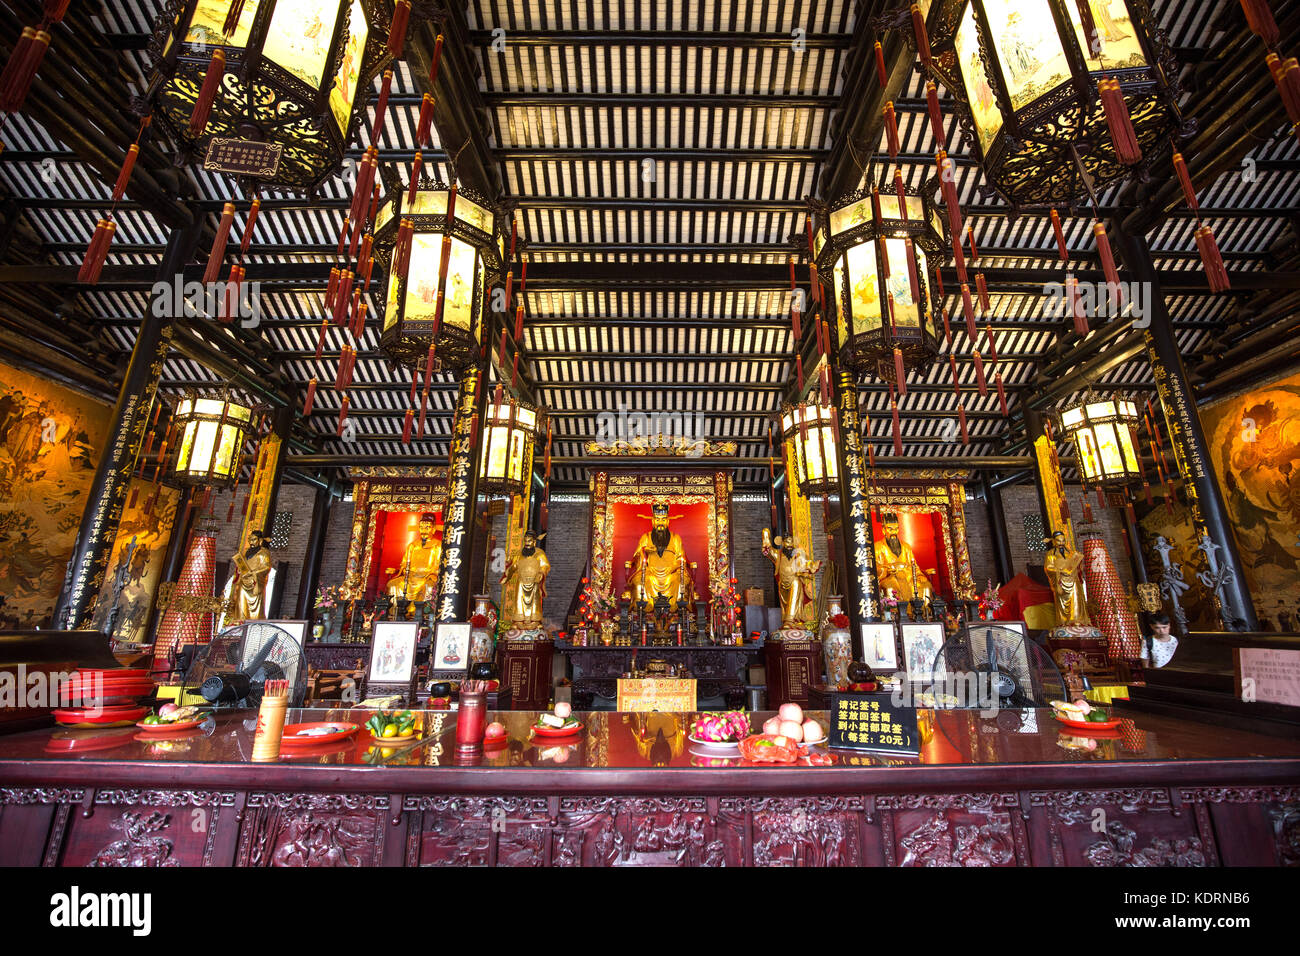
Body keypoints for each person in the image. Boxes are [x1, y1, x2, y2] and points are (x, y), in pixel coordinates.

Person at [874, 513, 931, 603]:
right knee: (889, 587)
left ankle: (924, 614)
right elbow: (875, 567)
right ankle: (894, 614)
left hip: (908, 578)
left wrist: (919, 575)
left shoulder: (906, 546)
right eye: (890, 529)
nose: (894, 532)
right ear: (884, 530)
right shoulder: (878, 547)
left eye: (896, 529)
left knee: (926, 586)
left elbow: (914, 566)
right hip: (889, 577)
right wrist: (886, 570)